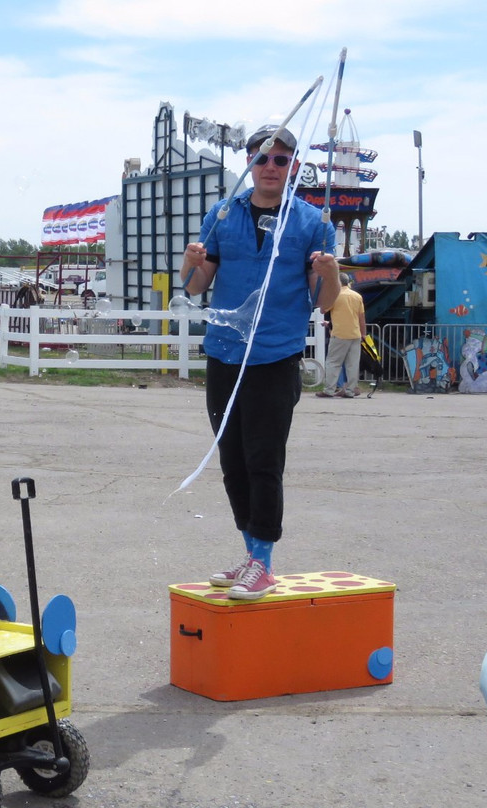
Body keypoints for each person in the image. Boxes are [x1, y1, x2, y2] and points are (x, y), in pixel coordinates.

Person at [180, 124, 339, 600]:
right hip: (225, 352)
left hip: (274, 355)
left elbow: (324, 302)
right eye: (263, 157)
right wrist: (191, 261)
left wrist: (329, 272)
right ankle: (251, 553)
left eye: (281, 159)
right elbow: (194, 286)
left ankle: (263, 563)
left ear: (292, 166)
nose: (271, 167)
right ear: (248, 162)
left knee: (263, 459)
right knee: (232, 461)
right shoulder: (222, 213)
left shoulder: (314, 223)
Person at [318, 273, 366, 399]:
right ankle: (350, 390)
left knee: (333, 362)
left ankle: (329, 390)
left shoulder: (335, 296)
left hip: (340, 333)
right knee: (353, 364)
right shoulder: (357, 296)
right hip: (355, 334)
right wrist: (363, 333)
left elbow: (323, 309)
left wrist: (326, 293)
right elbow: (361, 317)